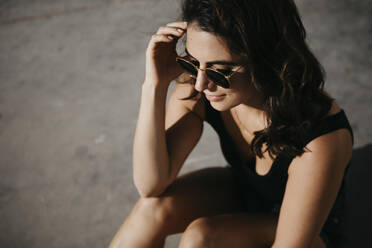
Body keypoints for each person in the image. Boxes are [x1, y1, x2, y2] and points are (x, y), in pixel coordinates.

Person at [109, 0, 353, 247]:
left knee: (201, 237)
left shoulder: (320, 138)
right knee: (151, 210)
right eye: (193, 62)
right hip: (247, 193)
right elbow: (151, 184)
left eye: (220, 70)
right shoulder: (200, 87)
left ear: (265, 58)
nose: (201, 83)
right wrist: (154, 85)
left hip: (309, 236)